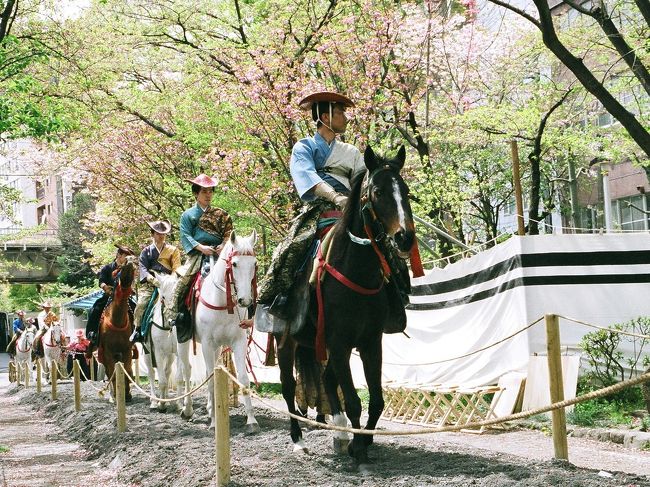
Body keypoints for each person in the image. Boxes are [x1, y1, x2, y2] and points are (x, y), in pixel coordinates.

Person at [256, 91, 365, 319]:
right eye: (340, 113)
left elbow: (363, 179)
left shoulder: (352, 152)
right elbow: (307, 176)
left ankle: (398, 292)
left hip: (351, 212)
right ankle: (280, 299)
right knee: (290, 249)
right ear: (325, 118)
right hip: (319, 212)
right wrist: (336, 198)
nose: (346, 118)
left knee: (383, 243)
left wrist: (362, 197)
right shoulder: (303, 147)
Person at [167, 174, 233, 324]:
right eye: (204, 191)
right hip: (197, 255)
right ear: (196, 193)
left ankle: (245, 315)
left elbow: (229, 233)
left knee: (239, 277)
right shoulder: (187, 215)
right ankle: (177, 316)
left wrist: (223, 245)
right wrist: (201, 248)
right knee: (182, 283)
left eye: (210, 191)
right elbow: (185, 235)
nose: (208, 195)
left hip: (219, 254)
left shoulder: (221, 214)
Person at [130, 219, 182, 343]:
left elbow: (177, 268)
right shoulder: (146, 251)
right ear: (152, 234)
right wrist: (150, 278)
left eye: (163, 234)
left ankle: (186, 326)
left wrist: (171, 280)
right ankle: (137, 330)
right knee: (141, 304)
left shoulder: (173, 250)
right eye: (158, 233)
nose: (162, 236)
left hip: (169, 283)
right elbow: (142, 267)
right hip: (151, 284)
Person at [85, 244, 136, 350]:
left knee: (135, 310)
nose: (126, 259)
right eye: (125, 256)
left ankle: (136, 334)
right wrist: (106, 288)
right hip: (109, 295)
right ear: (118, 255)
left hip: (123, 297)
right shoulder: (107, 268)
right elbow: (101, 281)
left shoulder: (127, 270)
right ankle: (93, 334)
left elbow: (131, 283)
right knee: (95, 309)